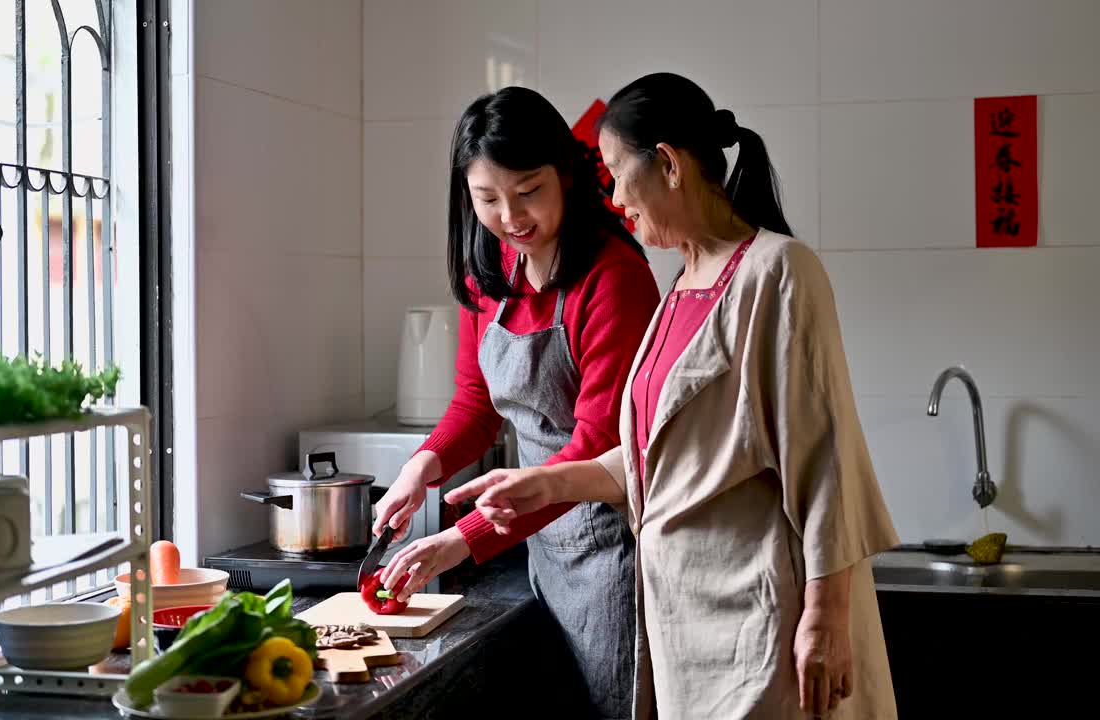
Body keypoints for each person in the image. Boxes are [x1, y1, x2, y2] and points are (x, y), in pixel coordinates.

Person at [447, 73, 901, 720]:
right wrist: (543, 487)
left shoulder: (778, 271)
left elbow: (827, 459)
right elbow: (651, 459)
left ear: (666, 163)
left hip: (769, 620)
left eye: (613, 172)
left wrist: (825, 613)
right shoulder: (684, 284)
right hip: (689, 627)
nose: (609, 194)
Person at [370, 86, 661, 719]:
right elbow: (476, 404)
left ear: (565, 174)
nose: (511, 216)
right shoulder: (489, 271)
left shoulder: (613, 277)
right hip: (537, 550)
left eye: (528, 190)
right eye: (487, 198)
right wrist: (419, 469)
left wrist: (461, 539)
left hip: (611, 549)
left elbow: (595, 446)